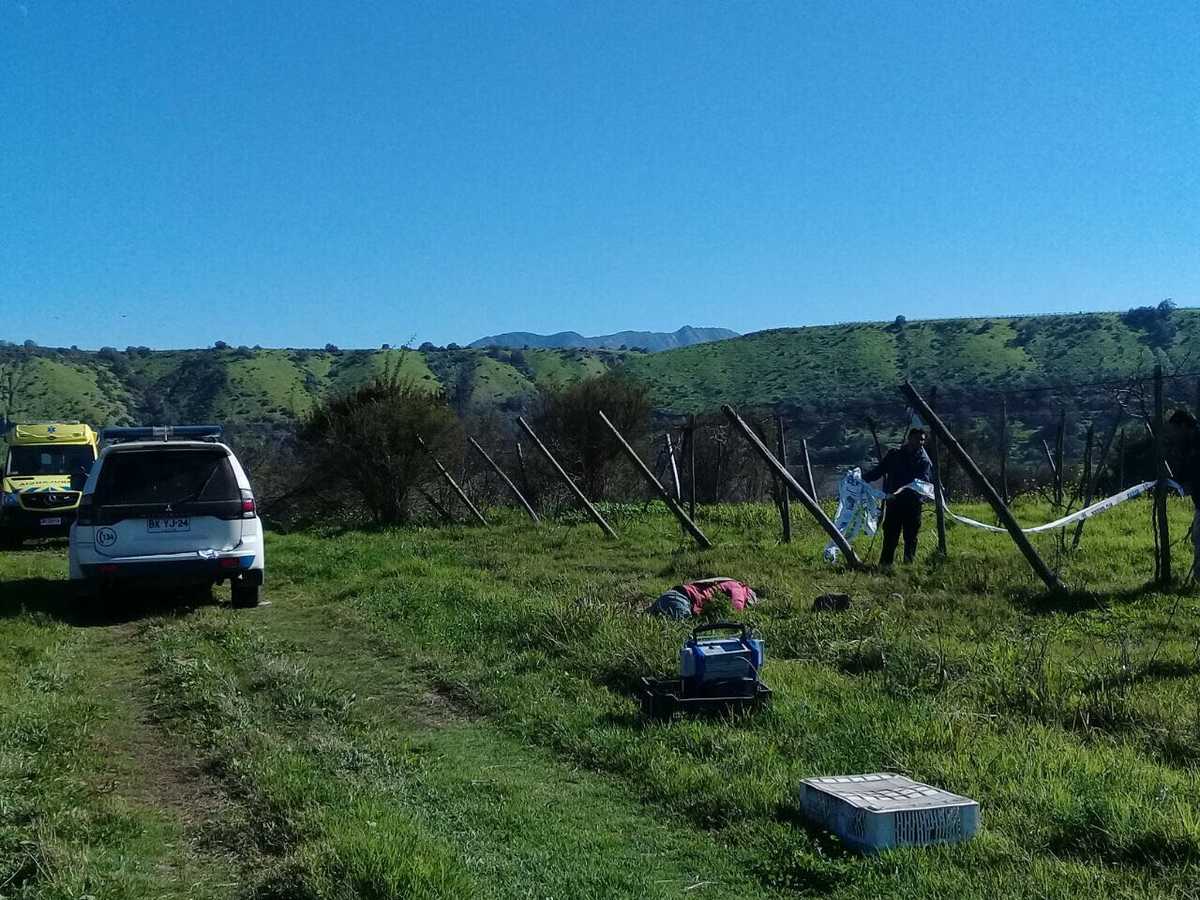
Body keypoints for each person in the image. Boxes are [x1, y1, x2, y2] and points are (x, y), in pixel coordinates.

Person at [864, 427, 933, 566]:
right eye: (918, 439)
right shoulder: (894, 455)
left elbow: (923, 482)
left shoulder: (924, 462)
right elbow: (879, 471)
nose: (920, 442)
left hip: (913, 504)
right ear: (909, 439)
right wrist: (862, 479)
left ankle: (908, 566)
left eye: (923, 440)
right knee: (890, 535)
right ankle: (885, 565)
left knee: (911, 537)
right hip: (894, 503)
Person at [1168, 409, 1200, 580]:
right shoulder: (1188, 446)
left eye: (1175, 430)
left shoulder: (1196, 445)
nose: (1173, 435)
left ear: (1184, 426)